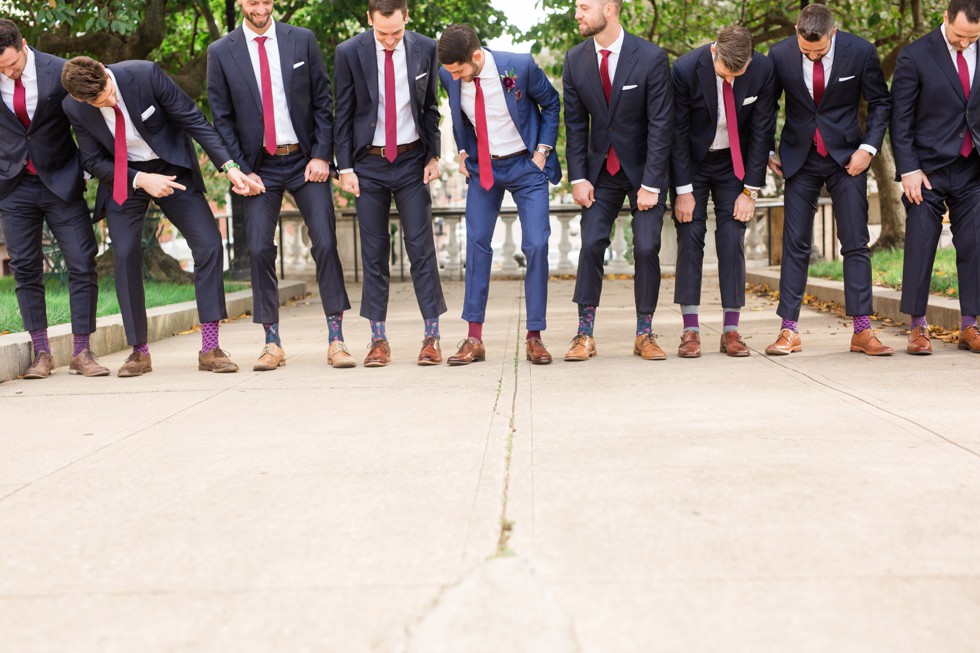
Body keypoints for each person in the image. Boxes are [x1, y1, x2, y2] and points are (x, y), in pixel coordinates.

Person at [61, 56, 262, 376]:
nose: (111, 101)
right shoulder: (75, 108)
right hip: (125, 178)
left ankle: (210, 347)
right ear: (80, 99)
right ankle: (138, 352)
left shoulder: (145, 75)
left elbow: (194, 120)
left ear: (104, 69)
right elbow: (94, 161)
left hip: (171, 168)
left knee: (210, 245)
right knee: (125, 253)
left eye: (110, 91)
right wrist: (140, 180)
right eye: (101, 102)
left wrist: (230, 167)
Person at [207, 0, 352, 371]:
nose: (260, 7)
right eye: (253, 1)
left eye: (267, 0)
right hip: (260, 169)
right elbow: (221, 118)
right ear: (240, 2)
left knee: (324, 240)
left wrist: (322, 154)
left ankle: (336, 338)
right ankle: (272, 342)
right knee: (257, 249)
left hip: (306, 161)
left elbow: (323, 101)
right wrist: (239, 168)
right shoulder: (221, 52)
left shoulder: (301, 39)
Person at [766, 4, 893, 356]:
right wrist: (765, 151)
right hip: (799, 161)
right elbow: (766, 107)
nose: (811, 55)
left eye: (819, 51)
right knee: (795, 244)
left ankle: (862, 330)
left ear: (832, 33)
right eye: (806, 50)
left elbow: (881, 103)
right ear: (796, 31)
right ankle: (788, 330)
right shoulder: (778, 55)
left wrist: (868, 148)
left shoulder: (861, 52)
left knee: (855, 242)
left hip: (847, 159)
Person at [438, 24, 561, 365]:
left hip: (526, 167)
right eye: (450, 72)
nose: (455, 77)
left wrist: (541, 154)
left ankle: (534, 336)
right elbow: (456, 116)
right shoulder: (449, 75)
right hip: (484, 170)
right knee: (477, 245)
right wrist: (463, 152)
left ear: (476, 57)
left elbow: (551, 104)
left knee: (536, 244)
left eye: (460, 70)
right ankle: (474, 338)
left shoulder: (519, 67)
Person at [334, 0, 446, 367]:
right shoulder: (348, 52)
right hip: (368, 164)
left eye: (396, 32)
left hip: (413, 160)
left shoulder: (427, 48)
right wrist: (345, 167)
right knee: (374, 253)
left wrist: (434, 156)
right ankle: (377, 339)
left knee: (421, 249)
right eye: (382, 33)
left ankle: (432, 336)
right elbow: (344, 113)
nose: (389, 40)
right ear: (370, 20)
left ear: (406, 17)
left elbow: (430, 107)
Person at [561, 0, 673, 362]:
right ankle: (584, 333)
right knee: (592, 243)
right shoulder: (575, 60)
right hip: (599, 173)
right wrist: (578, 177)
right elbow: (576, 126)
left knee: (644, 247)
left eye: (583, 6)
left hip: (644, 172)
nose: (577, 14)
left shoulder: (651, 57)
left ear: (609, 9)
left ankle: (644, 333)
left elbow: (660, 125)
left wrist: (652, 184)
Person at [0, 19, 107, 379]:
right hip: (13, 188)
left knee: (81, 261)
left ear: (24, 44)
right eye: (1, 69)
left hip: (61, 181)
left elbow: (87, 123)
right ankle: (42, 353)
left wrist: (86, 168)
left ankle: (81, 351)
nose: (9, 72)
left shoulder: (59, 70)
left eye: (13, 65)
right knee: (25, 269)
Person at [670, 26, 776, 358]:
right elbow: (677, 133)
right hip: (694, 163)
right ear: (714, 52)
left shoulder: (763, 69)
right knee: (690, 234)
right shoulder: (685, 70)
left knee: (732, 239)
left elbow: (762, 131)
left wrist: (751, 191)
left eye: (738, 73)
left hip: (735, 164)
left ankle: (732, 328)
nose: (732, 79)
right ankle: (690, 328)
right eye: (725, 73)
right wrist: (683, 189)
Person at [891, 0, 980, 354]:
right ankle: (916, 326)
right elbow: (900, 118)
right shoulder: (915, 55)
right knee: (920, 244)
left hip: (972, 166)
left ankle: (971, 325)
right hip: (925, 171)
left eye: (973, 38)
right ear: (945, 18)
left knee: (975, 245)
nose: (965, 44)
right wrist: (908, 169)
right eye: (960, 36)